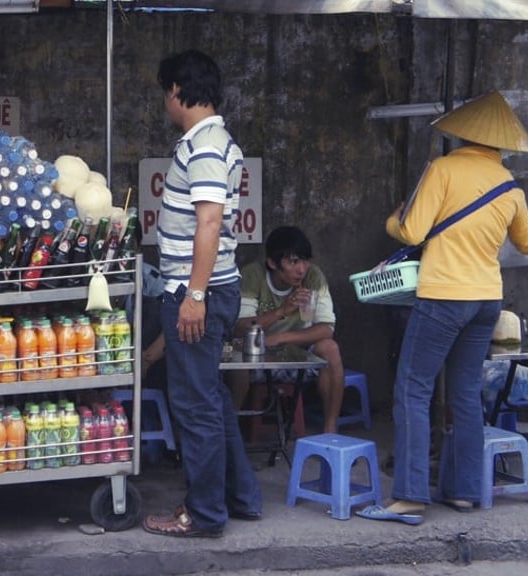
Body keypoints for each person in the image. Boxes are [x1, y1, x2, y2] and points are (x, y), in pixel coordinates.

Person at [358, 91, 528, 525]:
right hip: (486, 300)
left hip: (444, 295)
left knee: (412, 389)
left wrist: (392, 219)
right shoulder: (511, 187)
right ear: (500, 142)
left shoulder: (442, 169)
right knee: (464, 393)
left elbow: (413, 231)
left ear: (464, 134)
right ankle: (463, 492)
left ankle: (409, 497)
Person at [142, 49, 261, 538]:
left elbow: (209, 221)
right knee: (208, 399)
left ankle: (204, 513)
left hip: (198, 291)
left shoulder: (207, 145)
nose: (164, 102)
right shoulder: (206, 141)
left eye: (164, 93)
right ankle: (240, 497)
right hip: (206, 287)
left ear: (176, 90)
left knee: (193, 407)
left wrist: (194, 294)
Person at [229, 225, 345, 434]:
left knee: (330, 348)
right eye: (293, 262)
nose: (302, 269)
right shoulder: (253, 276)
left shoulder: (312, 277)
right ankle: (230, 433)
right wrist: (282, 310)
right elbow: (240, 328)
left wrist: (282, 338)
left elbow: (327, 329)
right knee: (238, 359)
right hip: (257, 355)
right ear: (273, 263)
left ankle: (330, 432)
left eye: (305, 260)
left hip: (297, 354)